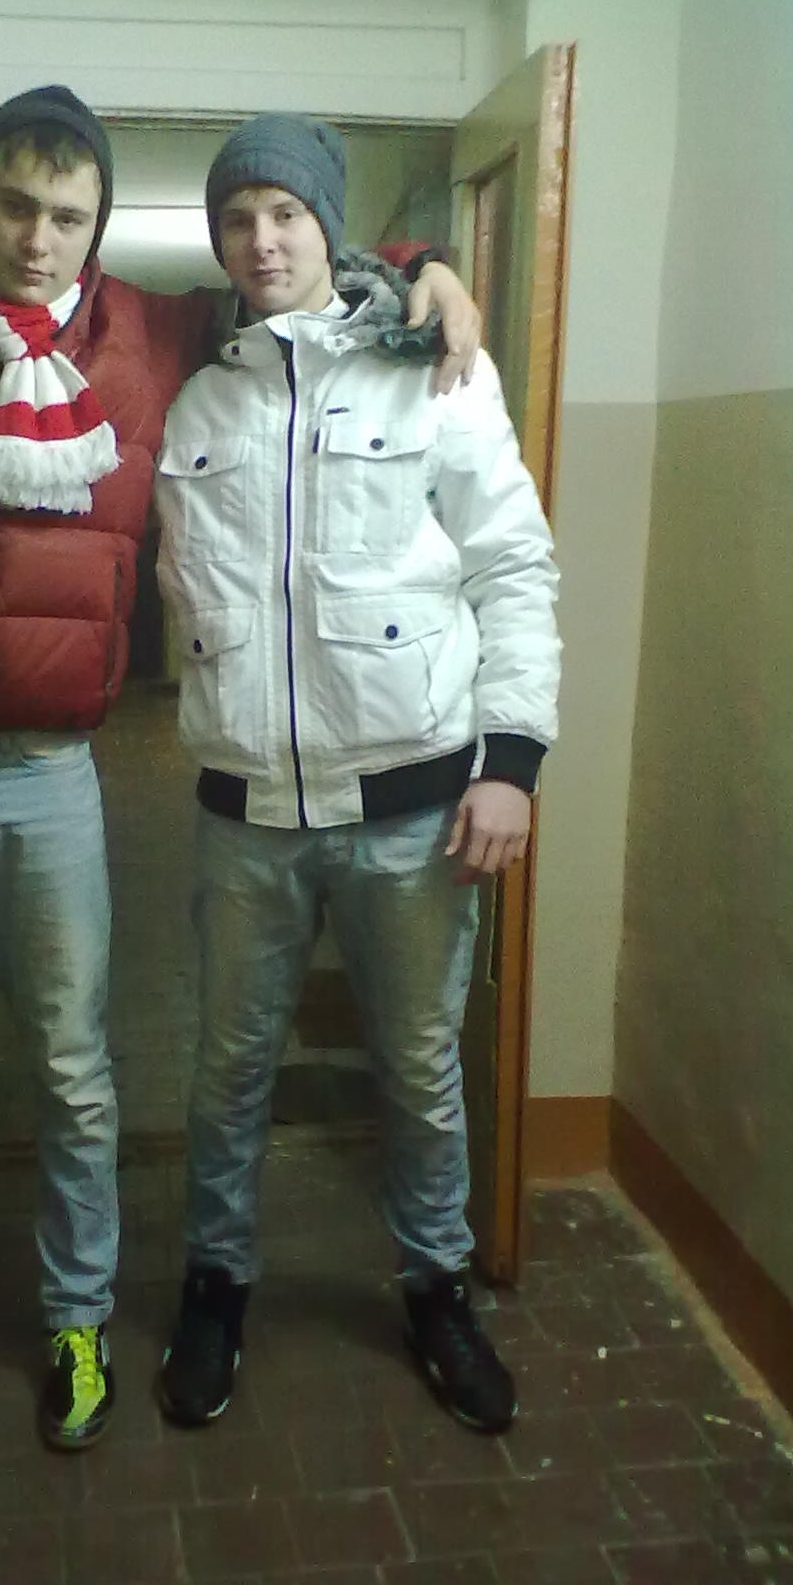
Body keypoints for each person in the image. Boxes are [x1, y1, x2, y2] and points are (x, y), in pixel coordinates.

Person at [0, 87, 483, 1456]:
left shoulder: (152, 343)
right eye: (17, 205)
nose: (39, 238)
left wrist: (433, 266)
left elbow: (304, 277)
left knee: (73, 1070)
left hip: (43, 775)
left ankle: (78, 1314)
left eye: (70, 215)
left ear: (99, 229)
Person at [154, 113, 561, 1436]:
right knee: (226, 1071)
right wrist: (431, 261)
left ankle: (437, 1287)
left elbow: (513, 565)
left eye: (286, 213)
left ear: (327, 225)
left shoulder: (432, 371)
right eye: (237, 219)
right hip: (246, 816)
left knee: (421, 1068)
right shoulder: (191, 390)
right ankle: (215, 1284)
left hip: (414, 808)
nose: (261, 241)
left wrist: (511, 762)